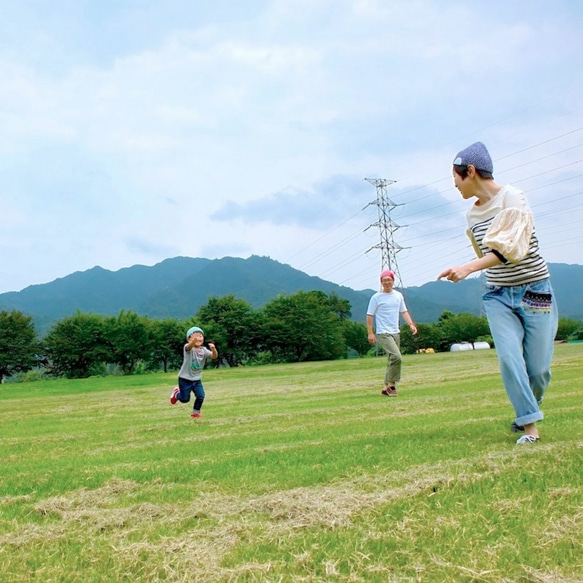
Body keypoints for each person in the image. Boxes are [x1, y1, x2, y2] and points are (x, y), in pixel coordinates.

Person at [437, 141, 558, 445]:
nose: (455, 186)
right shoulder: (472, 216)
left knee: (539, 370)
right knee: (509, 358)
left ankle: (528, 407)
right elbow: (488, 256)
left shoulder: (513, 198)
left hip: (535, 290)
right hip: (498, 294)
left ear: (471, 172)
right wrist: (474, 268)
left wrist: (467, 268)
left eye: (455, 178)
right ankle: (530, 428)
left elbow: (511, 250)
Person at [366, 269, 418, 396]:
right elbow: (369, 315)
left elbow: (404, 311)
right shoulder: (376, 298)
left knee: (392, 359)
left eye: (389, 280)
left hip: (396, 331)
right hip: (383, 332)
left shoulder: (398, 296)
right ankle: (391, 385)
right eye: (384, 280)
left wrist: (411, 324)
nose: (387, 282)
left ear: (393, 281)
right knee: (397, 357)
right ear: (381, 282)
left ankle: (385, 387)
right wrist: (370, 333)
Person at [170, 326, 218, 418]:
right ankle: (176, 393)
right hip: (185, 379)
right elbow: (189, 346)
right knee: (185, 399)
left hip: (196, 379)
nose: (199, 338)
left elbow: (213, 356)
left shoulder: (204, 351)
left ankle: (196, 412)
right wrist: (193, 341)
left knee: (201, 396)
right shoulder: (188, 348)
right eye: (195, 336)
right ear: (188, 339)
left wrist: (213, 349)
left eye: (200, 336)